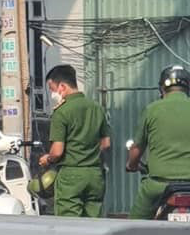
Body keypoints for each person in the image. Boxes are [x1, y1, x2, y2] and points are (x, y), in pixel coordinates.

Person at [40, 64, 111, 218]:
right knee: (94, 225)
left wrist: (48, 159)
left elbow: (57, 151)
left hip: (71, 176)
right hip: (95, 175)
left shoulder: (62, 111)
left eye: (52, 89)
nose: (52, 94)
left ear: (62, 86)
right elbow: (106, 143)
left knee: (70, 227)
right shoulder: (96, 108)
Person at [126, 65, 190, 219]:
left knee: (135, 228)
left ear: (162, 89)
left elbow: (137, 147)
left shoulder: (152, 110)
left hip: (159, 186)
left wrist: (131, 165)